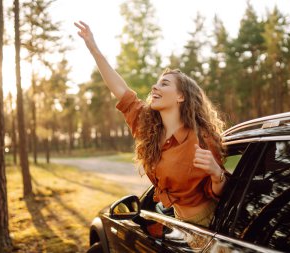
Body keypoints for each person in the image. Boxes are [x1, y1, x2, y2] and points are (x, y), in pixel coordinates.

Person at [74, 21, 229, 227]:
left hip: (206, 223)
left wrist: (217, 174)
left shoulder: (202, 139)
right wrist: (94, 49)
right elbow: (121, 90)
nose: (154, 87)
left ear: (181, 96)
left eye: (164, 83)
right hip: (178, 222)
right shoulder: (148, 126)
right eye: (156, 82)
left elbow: (217, 193)